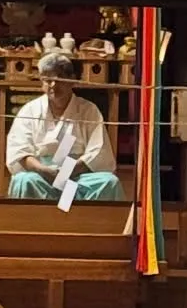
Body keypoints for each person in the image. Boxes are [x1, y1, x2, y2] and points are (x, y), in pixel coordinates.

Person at [6, 51, 123, 201]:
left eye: (59, 80)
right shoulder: (30, 110)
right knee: (24, 180)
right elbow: (20, 151)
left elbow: (98, 152)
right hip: (42, 178)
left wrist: (65, 173)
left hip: (77, 177)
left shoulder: (88, 110)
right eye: (48, 80)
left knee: (109, 182)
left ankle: (72, 211)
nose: (53, 85)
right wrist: (45, 171)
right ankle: (48, 214)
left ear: (72, 80)